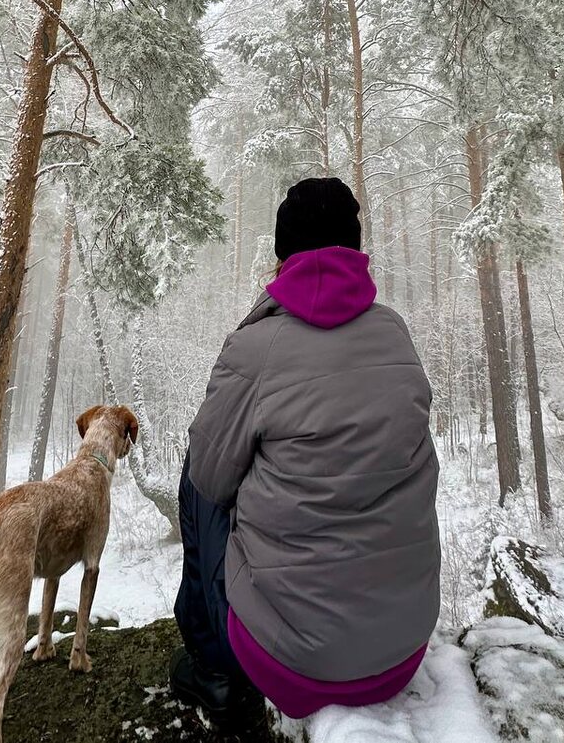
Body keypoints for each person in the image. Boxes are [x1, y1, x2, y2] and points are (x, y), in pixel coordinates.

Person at [170, 176, 441, 726]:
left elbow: (211, 478)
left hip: (292, 665)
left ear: (282, 255)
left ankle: (213, 668)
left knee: (198, 471)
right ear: (356, 250)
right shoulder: (395, 335)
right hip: (402, 653)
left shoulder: (256, 346)